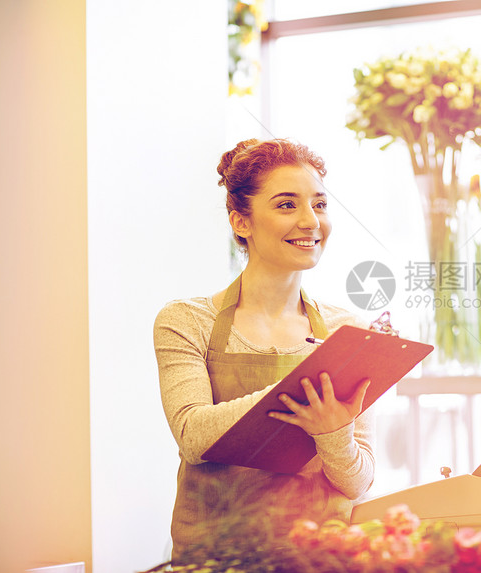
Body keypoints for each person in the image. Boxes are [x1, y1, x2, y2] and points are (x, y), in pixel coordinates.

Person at [153, 138, 375, 563]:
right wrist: (303, 386)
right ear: (241, 222)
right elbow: (193, 436)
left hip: (321, 561)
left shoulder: (348, 330)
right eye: (287, 205)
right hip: (216, 561)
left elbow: (359, 482)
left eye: (320, 204)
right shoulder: (185, 321)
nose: (311, 221)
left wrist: (333, 432)